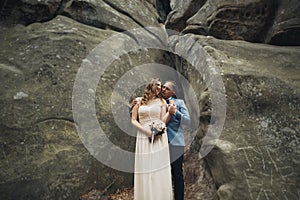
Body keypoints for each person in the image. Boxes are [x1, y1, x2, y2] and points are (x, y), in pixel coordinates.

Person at [131, 80, 191, 200]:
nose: (163, 89)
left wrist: (175, 113)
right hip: (155, 142)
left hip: (174, 142)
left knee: (177, 173)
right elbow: (137, 116)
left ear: (173, 92)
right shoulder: (145, 101)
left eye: (167, 89)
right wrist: (132, 106)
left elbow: (188, 121)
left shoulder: (178, 103)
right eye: (162, 87)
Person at [131, 78, 173, 200]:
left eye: (161, 86)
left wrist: (169, 113)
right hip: (143, 136)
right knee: (145, 167)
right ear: (151, 85)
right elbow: (133, 119)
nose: (160, 88)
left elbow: (163, 121)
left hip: (158, 136)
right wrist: (146, 132)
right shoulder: (139, 101)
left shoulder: (162, 102)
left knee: (157, 166)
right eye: (158, 85)